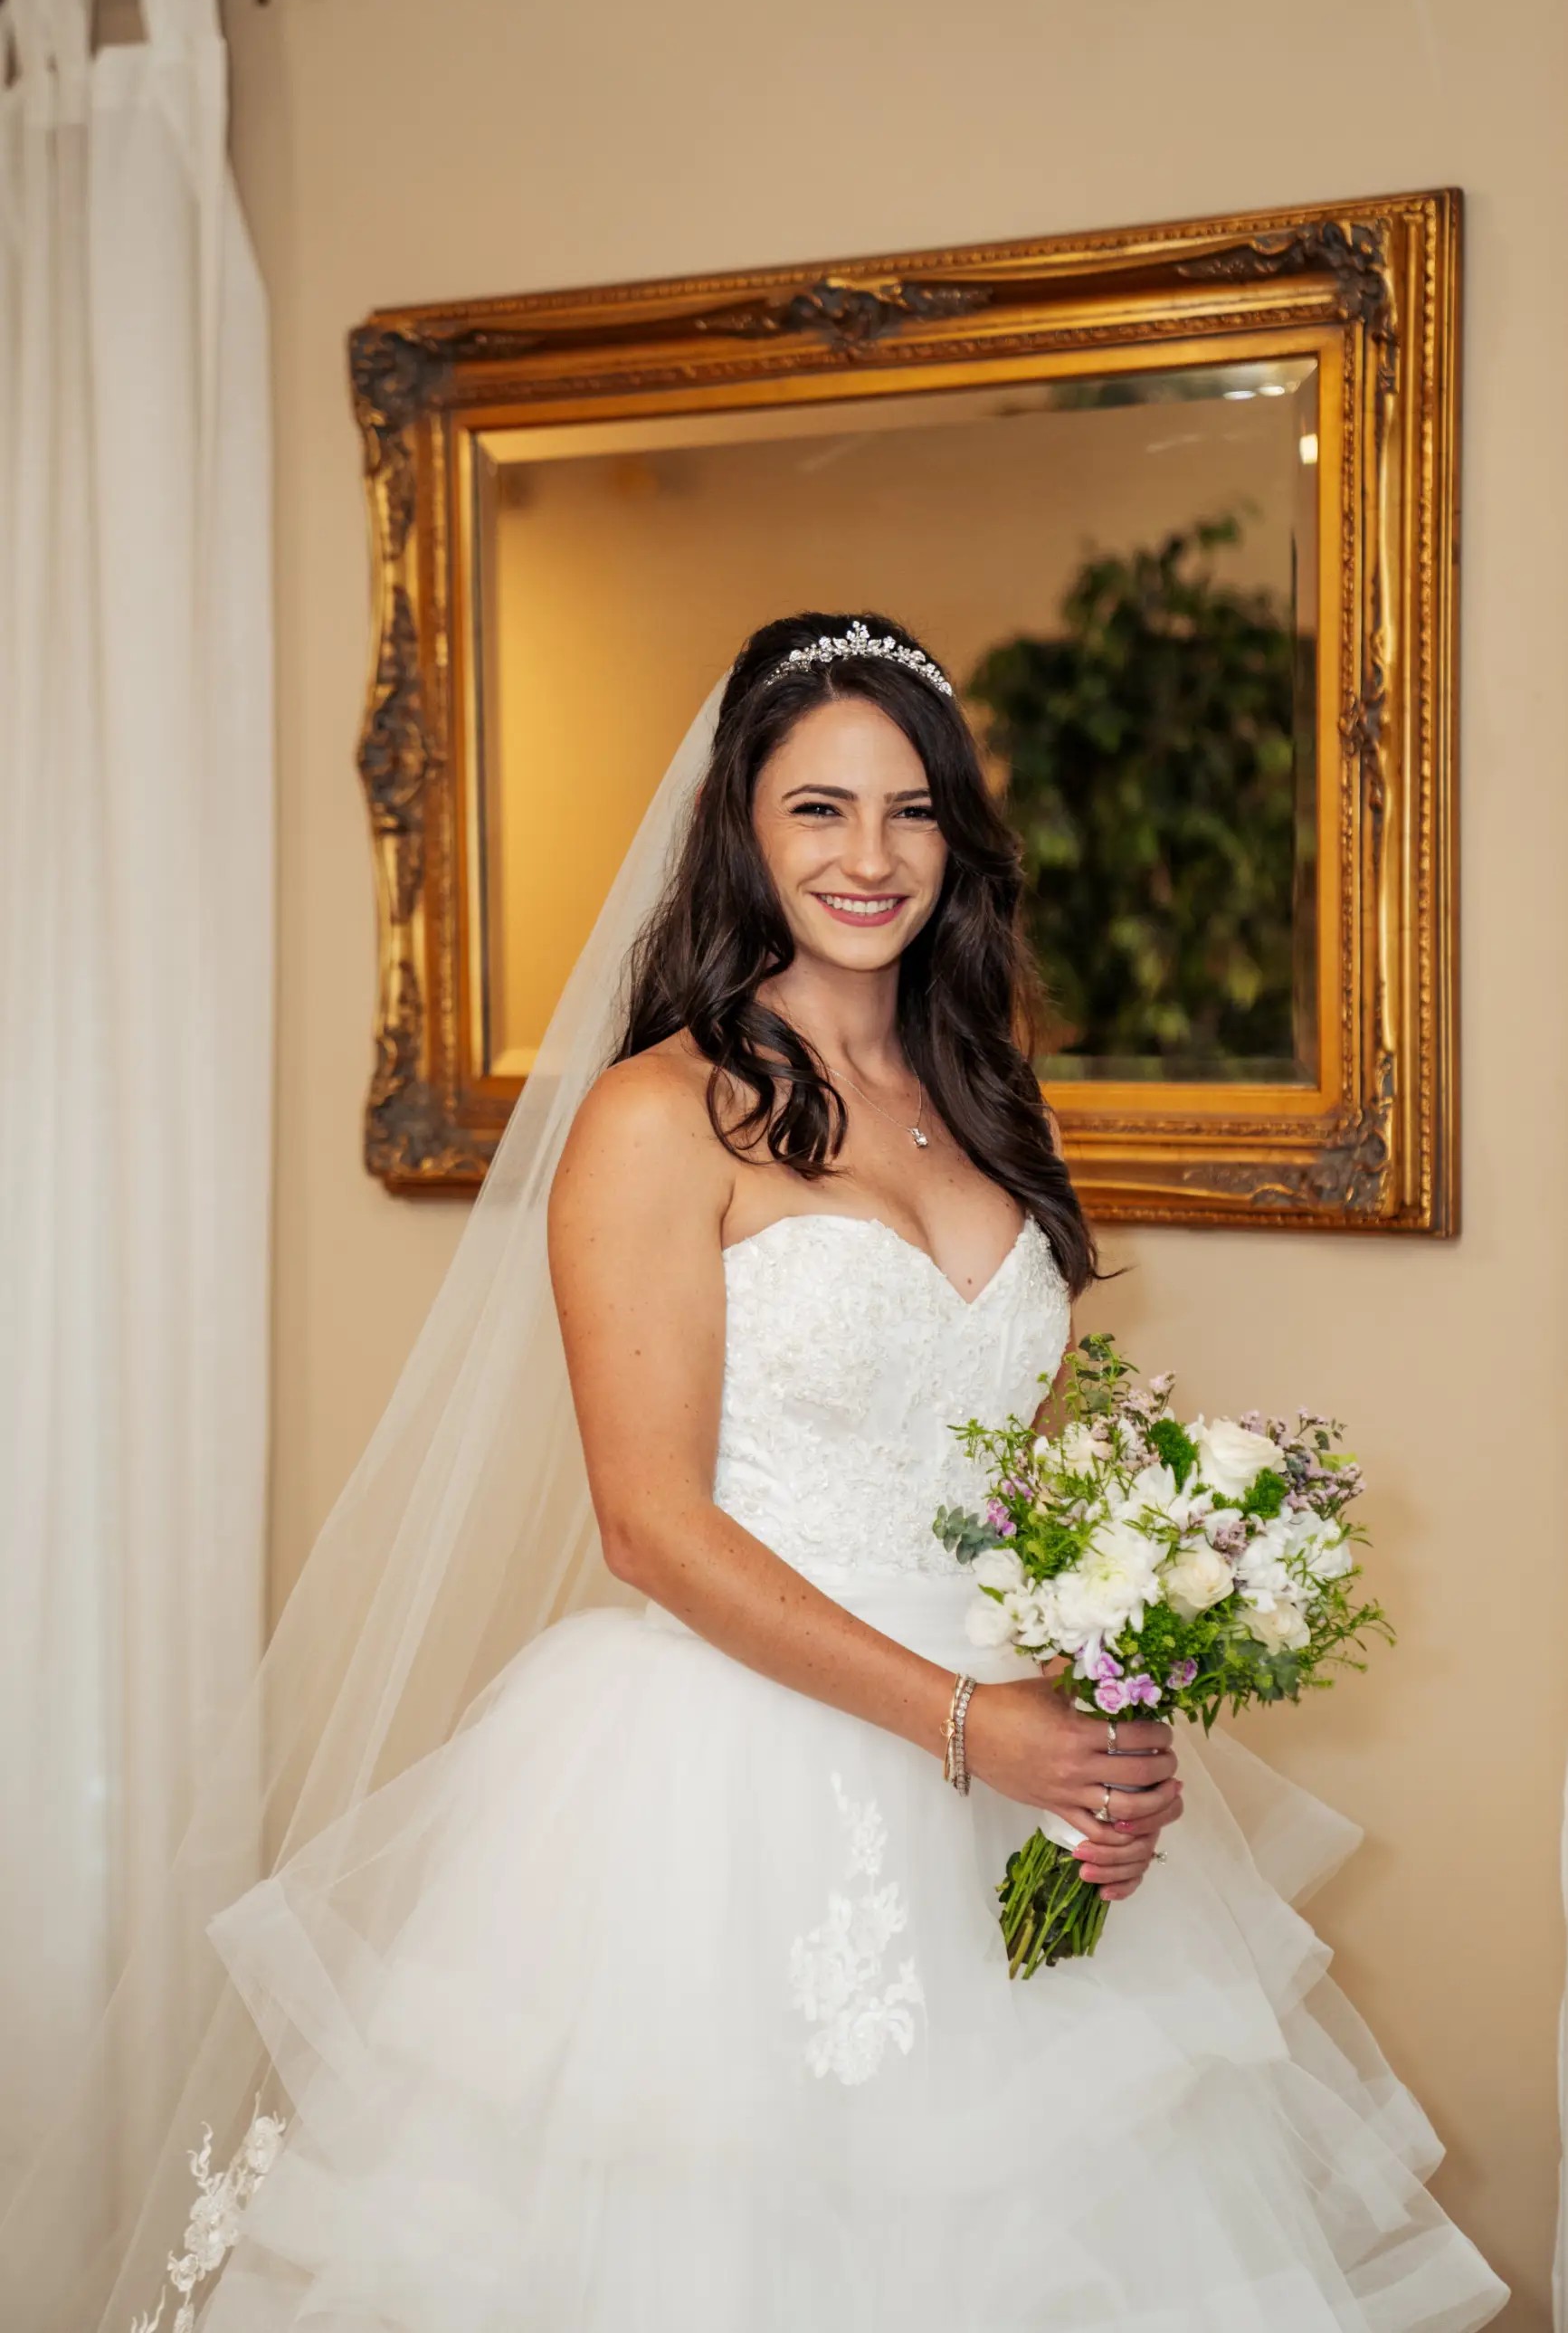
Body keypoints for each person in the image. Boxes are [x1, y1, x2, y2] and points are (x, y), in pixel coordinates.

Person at [57, 614, 1507, 2331]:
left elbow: (1005, 1489)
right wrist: (976, 1726)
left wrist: (1097, 1711)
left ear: (957, 835)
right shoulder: (655, 1118)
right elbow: (650, 1527)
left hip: (1003, 1754)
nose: (870, 857)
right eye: (818, 809)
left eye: (910, 810)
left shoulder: (980, 1096)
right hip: (724, 1785)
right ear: (742, 826)